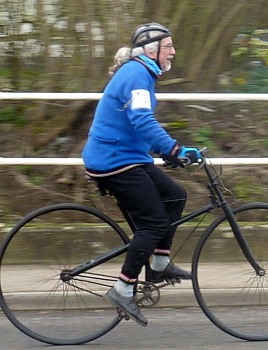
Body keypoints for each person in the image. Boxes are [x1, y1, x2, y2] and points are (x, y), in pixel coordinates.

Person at [82, 22, 201, 326]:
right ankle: (123, 289)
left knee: (175, 195)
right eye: (169, 46)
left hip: (128, 156)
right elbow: (143, 120)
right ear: (152, 49)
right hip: (113, 161)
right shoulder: (137, 74)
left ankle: (159, 264)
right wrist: (173, 149)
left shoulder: (141, 73)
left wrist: (165, 152)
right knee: (153, 222)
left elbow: (136, 125)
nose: (173, 51)